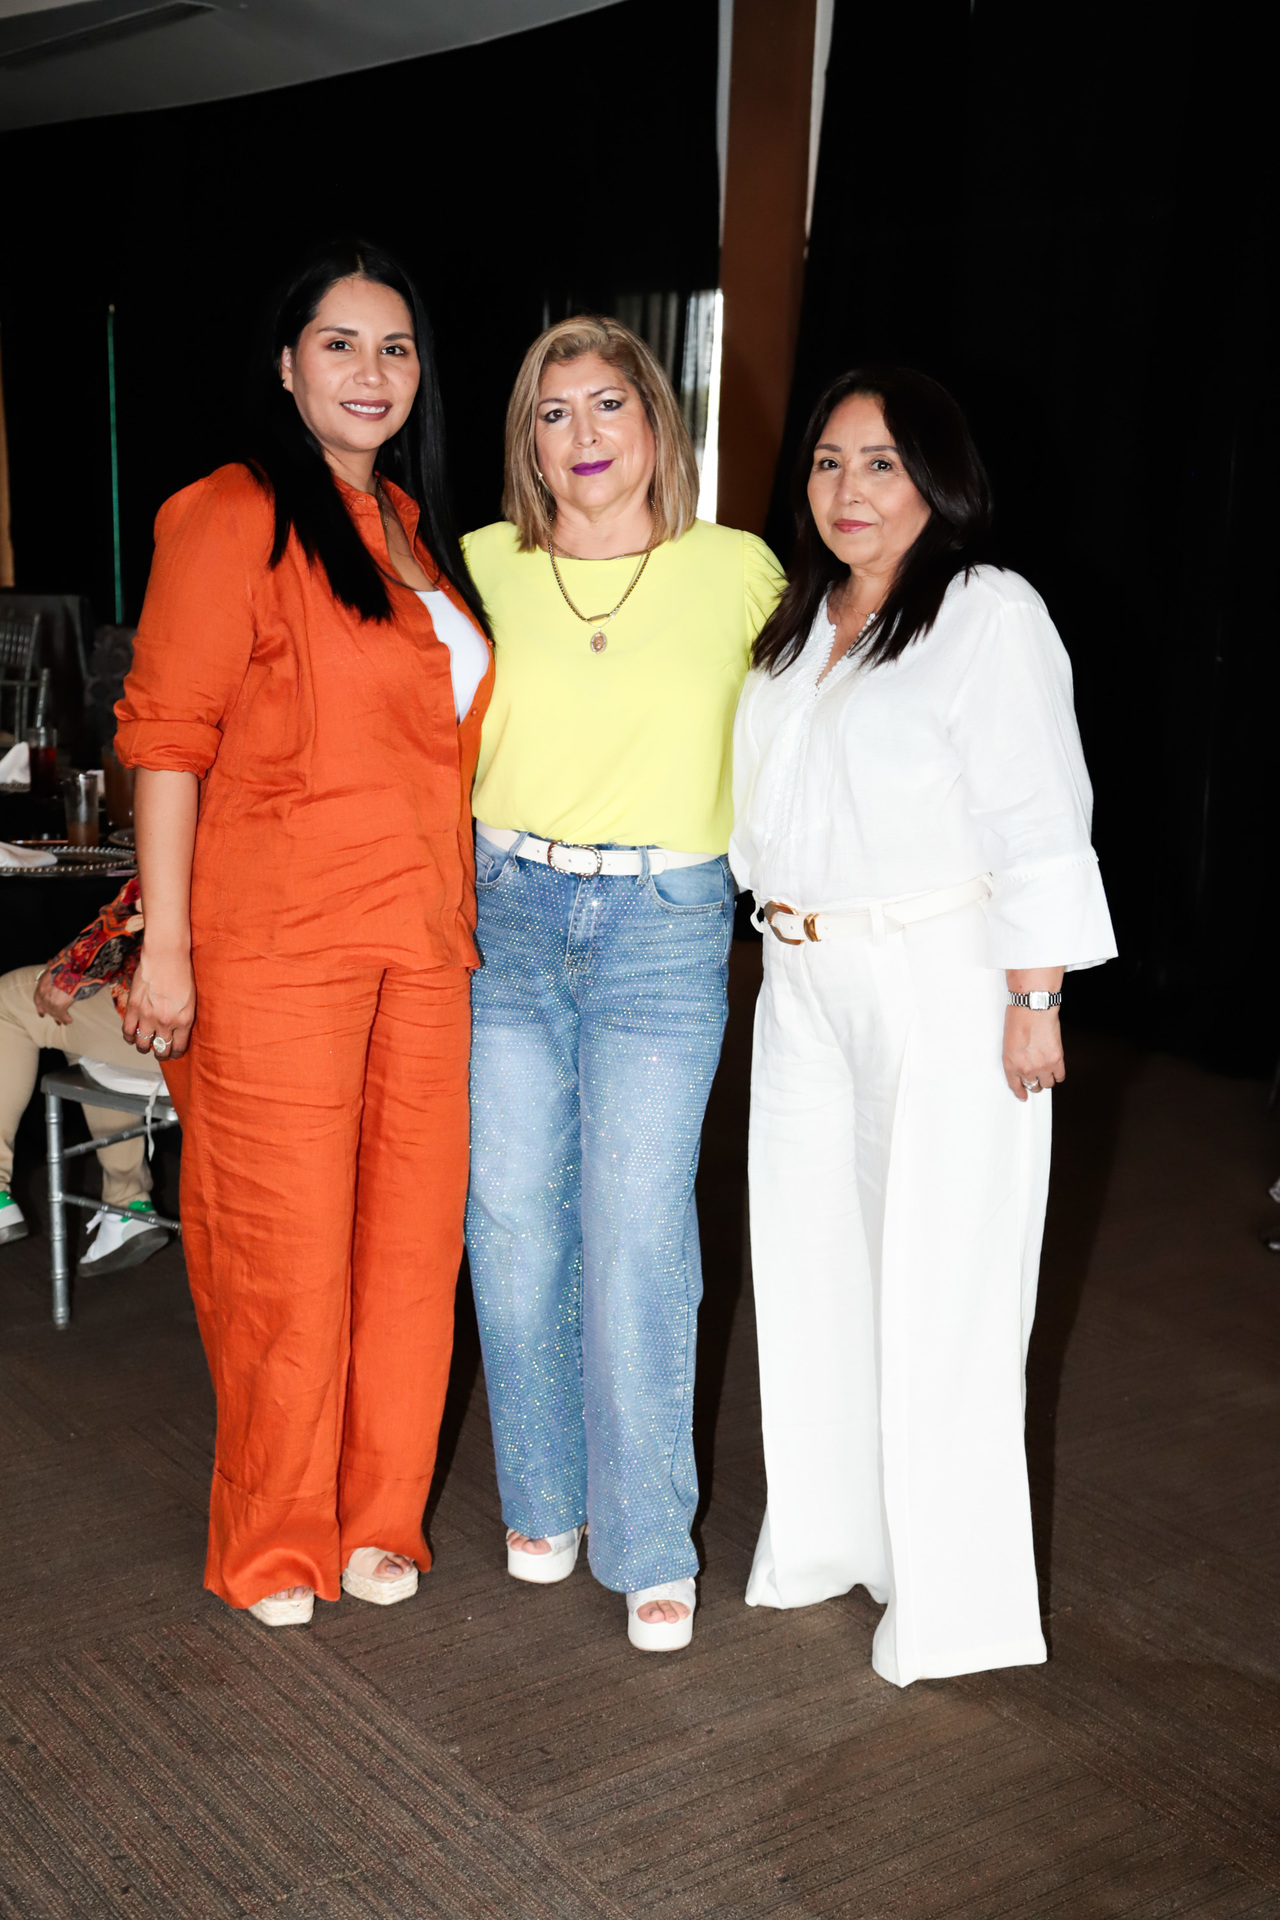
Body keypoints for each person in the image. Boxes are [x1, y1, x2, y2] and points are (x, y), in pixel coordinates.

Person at [113, 240, 493, 1628]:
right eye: (340, 343)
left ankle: (378, 1516)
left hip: (425, 945)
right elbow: (167, 739)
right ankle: (275, 1537)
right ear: (285, 366)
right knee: (282, 1252)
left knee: (409, 1251)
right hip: (277, 944)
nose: (371, 371)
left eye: (396, 347)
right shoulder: (235, 512)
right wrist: (165, 947)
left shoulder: (411, 528)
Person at [730, 367, 1116, 1686]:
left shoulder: (985, 612)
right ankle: (834, 1540)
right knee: (812, 1268)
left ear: (937, 477)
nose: (848, 490)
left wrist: (1034, 998)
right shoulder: (799, 623)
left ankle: (955, 1607)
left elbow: (1039, 815)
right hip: (800, 984)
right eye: (828, 463)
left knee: (946, 1285)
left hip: (939, 979)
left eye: (881, 463)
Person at [463, 316, 784, 1651]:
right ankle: (544, 1495)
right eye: (553, 413)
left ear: (656, 420)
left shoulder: (739, 571)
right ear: (526, 443)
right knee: (512, 1221)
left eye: (608, 405)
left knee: (640, 1231)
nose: (583, 436)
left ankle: (649, 1537)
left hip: (662, 924)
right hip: (505, 912)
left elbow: (823, 712)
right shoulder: (484, 567)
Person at [0, 881, 169, 1271]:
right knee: (92, 1014)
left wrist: (71, 972)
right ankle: (127, 1205)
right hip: (275, 1046)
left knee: (15, 999)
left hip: (192, 1039)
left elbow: (143, 903)